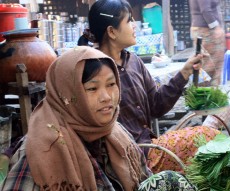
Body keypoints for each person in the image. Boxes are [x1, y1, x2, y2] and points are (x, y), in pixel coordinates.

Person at [0, 46, 205, 191]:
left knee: (172, 180)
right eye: (92, 88)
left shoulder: (112, 130)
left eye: (111, 84)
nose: (107, 96)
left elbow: (144, 179)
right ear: (68, 95)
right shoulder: (45, 145)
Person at [77, 0, 203, 157]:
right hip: (127, 158)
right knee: (201, 140)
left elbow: (156, 106)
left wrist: (184, 73)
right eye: (129, 20)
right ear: (112, 32)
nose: (134, 25)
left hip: (150, 146)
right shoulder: (94, 70)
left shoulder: (134, 61)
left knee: (204, 137)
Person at [188, 0, 226, 86]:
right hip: (206, 30)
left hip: (204, 29)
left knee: (208, 64)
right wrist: (216, 27)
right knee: (209, 65)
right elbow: (205, 9)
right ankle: (206, 95)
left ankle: (208, 93)